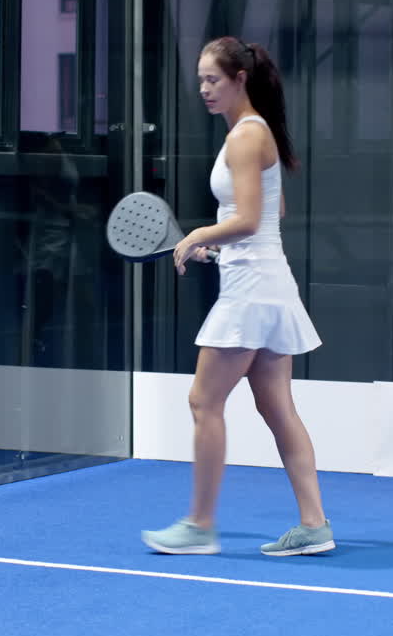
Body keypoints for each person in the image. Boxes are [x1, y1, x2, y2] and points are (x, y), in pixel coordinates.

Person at [141, 37, 332, 557]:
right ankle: (314, 525)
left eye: (212, 79)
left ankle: (200, 525)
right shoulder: (252, 134)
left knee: (204, 401)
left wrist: (199, 235)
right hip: (265, 280)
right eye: (200, 79)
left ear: (239, 79)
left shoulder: (247, 137)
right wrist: (219, 252)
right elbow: (271, 217)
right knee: (278, 409)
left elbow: (247, 220)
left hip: (253, 292)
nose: (203, 88)